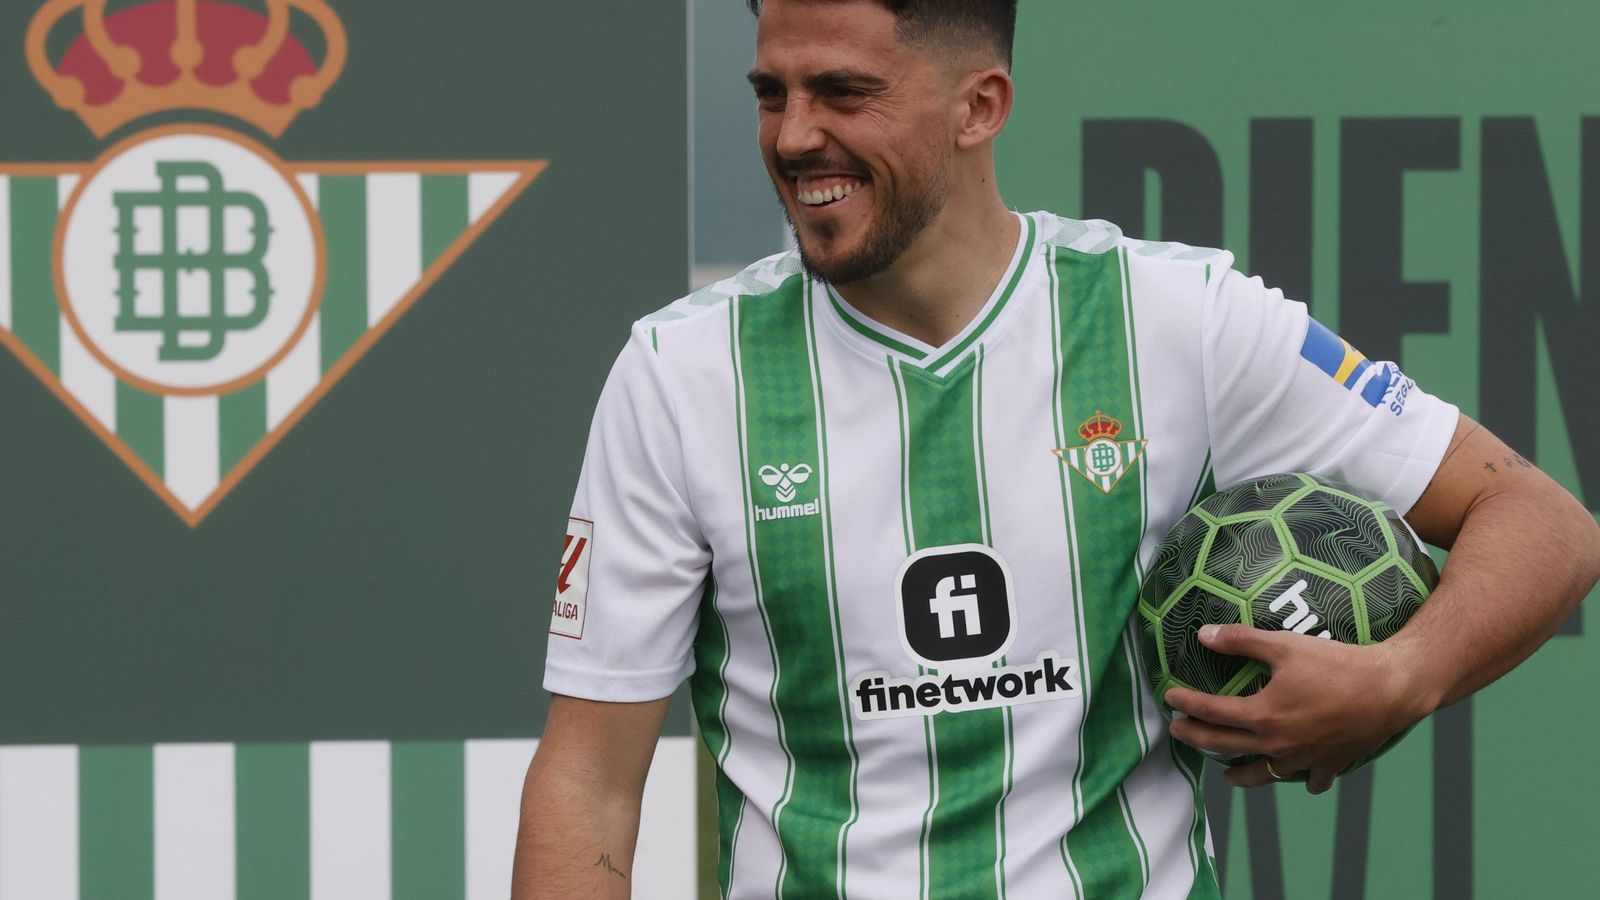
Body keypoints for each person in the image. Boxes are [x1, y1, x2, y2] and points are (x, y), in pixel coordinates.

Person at [511, 0, 1600, 896]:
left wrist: (1398, 678)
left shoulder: (1176, 317)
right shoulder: (680, 373)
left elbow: (1542, 523)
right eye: (770, 94)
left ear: (978, 106)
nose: (794, 136)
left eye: (844, 93)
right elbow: (590, 781)